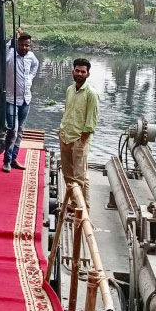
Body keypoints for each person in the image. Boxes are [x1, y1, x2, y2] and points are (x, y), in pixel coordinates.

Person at [58, 58, 99, 207]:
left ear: (88, 74)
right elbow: (67, 111)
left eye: (83, 71)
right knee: (68, 174)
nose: (80, 74)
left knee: (80, 177)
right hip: (65, 136)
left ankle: (83, 208)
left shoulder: (91, 94)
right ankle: (73, 203)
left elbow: (90, 122)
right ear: (73, 71)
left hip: (79, 140)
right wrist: (62, 131)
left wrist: (81, 141)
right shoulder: (70, 89)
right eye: (77, 70)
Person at [2, 30, 39, 172]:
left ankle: (14, 158)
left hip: (26, 99)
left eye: (27, 45)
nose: (24, 48)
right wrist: (12, 39)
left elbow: (36, 65)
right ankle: (6, 160)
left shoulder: (31, 56)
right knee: (13, 131)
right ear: (17, 44)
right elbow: (3, 54)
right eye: (22, 45)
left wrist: (30, 78)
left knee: (21, 131)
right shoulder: (10, 55)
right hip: (11, 99)